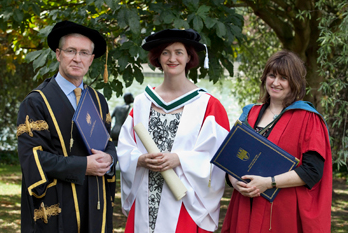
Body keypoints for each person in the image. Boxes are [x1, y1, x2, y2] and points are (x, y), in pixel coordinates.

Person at [117, 29, 230, 233]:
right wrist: (140, 160)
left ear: (189, 57)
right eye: (165, 52)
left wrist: (180, 159)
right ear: (158, 58)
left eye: (179, 52)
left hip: (185, 202)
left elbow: (219, 158)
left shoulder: (209, 106)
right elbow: (125, 147)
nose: (172, 58)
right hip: (144, 198)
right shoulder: (142, 103)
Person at [16, 21, 117, 233]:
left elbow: (107, 143)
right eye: (71, 51)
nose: (77, 58)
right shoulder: (36, 102)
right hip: (59, 203)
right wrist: (83, 166)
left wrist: (109, 159)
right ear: (58, 54)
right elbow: (33, 159)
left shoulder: (98, 100)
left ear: (91, 59)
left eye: (84, 53)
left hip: (94, 200)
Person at [221, 50, 332, 233]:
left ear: (294, 83)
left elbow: (312, 171)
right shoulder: (249, 114)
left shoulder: (308, 118)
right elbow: (230, 159)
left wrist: (269, 182)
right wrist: (235, 182)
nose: (275, 82)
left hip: (282, 211)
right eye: (272, 75)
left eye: (283, 78)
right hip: (245, 204)